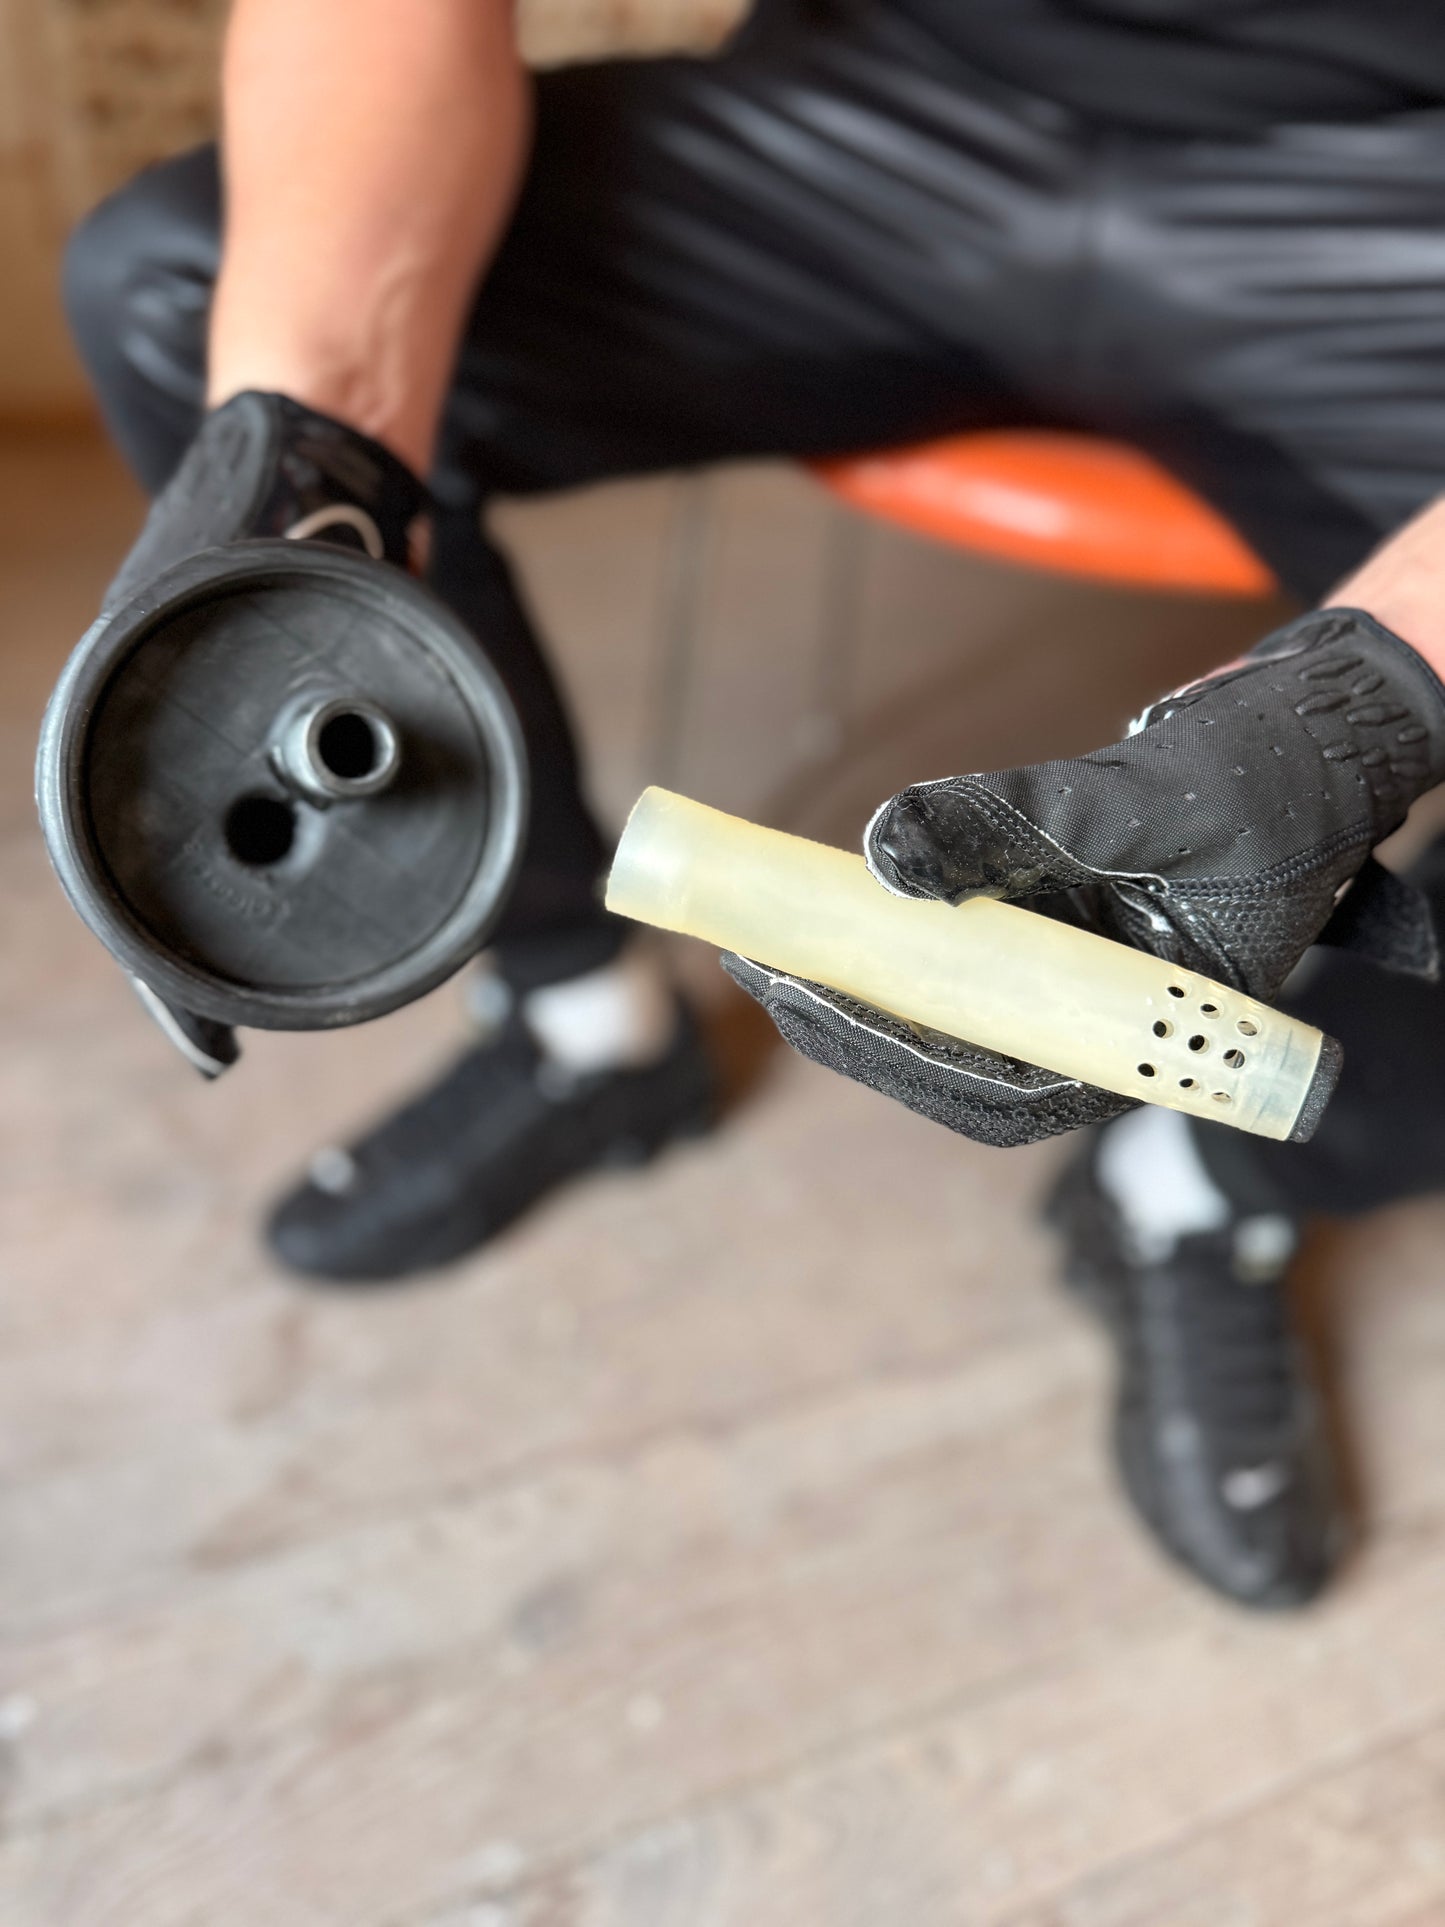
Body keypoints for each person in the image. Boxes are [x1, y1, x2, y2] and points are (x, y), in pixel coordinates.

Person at [62, 0, 1445, 1610]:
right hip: (916, 94)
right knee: (179, 287)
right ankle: (584, 1019)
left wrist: (1368, 699)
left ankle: (1200, 1189)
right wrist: (309, 459)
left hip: (1395, 193)